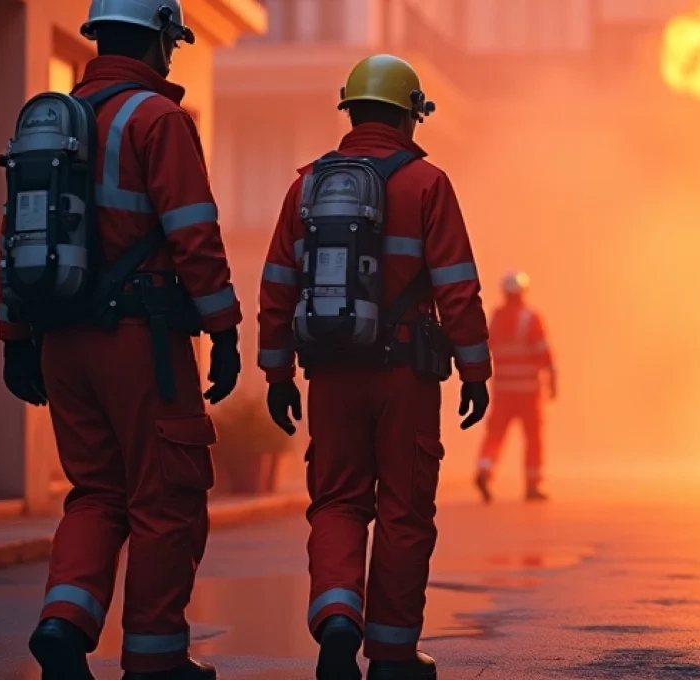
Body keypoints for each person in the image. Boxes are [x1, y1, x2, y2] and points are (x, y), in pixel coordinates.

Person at [0, 2, 241, 678]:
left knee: (96, 493)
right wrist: (223, 331)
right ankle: (155, 658)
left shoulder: (49, 121)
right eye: (172, 42)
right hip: (142, 341)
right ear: (160, 37)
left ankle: (64, 622)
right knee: (165, 496)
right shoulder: (158, 120)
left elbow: (12, 238)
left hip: (60, 339)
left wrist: (15, 337)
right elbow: (194, 233)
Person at [257, 54, 492, 680]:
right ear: (412, 116)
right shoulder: (427, 184)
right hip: (405, 377)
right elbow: (458, 288)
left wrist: (277, 374)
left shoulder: (304, 185)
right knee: (404, 511)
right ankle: (391, 653)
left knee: (336, 502)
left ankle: (337, 619)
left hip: (329, 372)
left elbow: (278, 285)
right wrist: (474, 368)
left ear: (351, 110)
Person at [474, 271, 557, 503]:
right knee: (533, 438)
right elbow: (544, 351)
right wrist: (553, 379)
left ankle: (484, 470)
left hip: (503, 389)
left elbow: (486, 350)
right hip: (528, 391)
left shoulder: (497, 318)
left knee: (496, 434)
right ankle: (533, 485)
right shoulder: (531, 318)